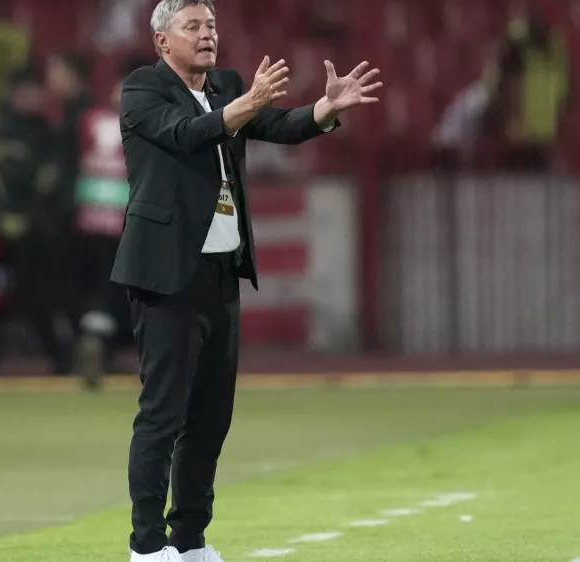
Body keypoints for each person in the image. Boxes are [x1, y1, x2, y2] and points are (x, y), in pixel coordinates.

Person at [112, 1, 382, 561]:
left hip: (220, 272)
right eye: (193, 27)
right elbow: (186, 134)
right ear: (163, 41)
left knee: (211, 418)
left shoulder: (228, 86)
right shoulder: (142, 90)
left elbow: (278, 125)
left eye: (211, 25)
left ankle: (188, 542)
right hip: (164, 275)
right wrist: (244, 105)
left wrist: (324, 109)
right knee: (162, 413)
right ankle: (145, 547)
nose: (207, 35)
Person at [0, 65, 77, 375]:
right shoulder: (2, 133)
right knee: (38, 298)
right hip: (20, 229)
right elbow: (15, 180)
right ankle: (60, 356)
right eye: (28, 91)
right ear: (13, 95)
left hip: (52, 228)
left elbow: (59, 177)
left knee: (61, 292)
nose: (34, 97)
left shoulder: (46, 130)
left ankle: (72, 353)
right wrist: (45, 178)